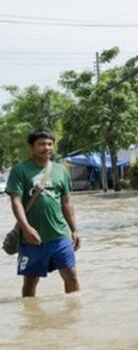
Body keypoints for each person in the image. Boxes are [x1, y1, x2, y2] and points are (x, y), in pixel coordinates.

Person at [5, 128, 80, 298]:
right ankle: (31, 320)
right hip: (32, 239)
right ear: (31, 147)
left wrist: (74, 229)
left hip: (60, 235)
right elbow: (16, 202)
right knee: (30, 282)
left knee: (71, 275)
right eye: (41, 144)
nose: (46, 148)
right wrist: (26, 229)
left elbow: (67, 203)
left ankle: (75, 316)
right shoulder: (20, 170)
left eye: (49, 144)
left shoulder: (61, 170)